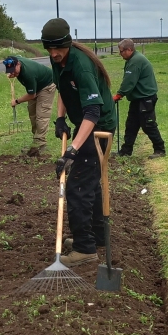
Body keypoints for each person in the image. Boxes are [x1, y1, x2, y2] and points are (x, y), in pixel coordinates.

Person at [41, 17, 116, 267]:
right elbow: (63, 89)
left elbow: (93, 111)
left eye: (58, 49)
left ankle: (85, 249)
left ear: (68, 44)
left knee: (78, 187)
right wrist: (60, 118)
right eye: (49, 49)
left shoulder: (81, 65)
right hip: (87, 125)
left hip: (98, 129)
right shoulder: (59, 62)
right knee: (90, 184)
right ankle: (95, 237)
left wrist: (72, 150)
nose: (54, 54)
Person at [113, 38, 166, 159]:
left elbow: (129, 82)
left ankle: (160, 149)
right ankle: (126, 151)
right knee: (131, 124)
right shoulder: (133, 59)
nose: (120, 54)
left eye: (121, 51)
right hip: (138, 99)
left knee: (148, 124)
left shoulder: (135, 61)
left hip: (145, 98)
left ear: (129, 49)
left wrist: (119, 95)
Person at [3, 55, 56, 155]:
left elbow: (31, 95)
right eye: (10, 70)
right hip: (36, 85)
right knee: (33, 115)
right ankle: (37, 141)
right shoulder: (16, 61)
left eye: (14, 69)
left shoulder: (28, 74)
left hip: (47, 85)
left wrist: (17, 101)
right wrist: (14, 74)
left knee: (41, 116)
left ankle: (40, 144)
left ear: (18, 64)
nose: (12, 72)